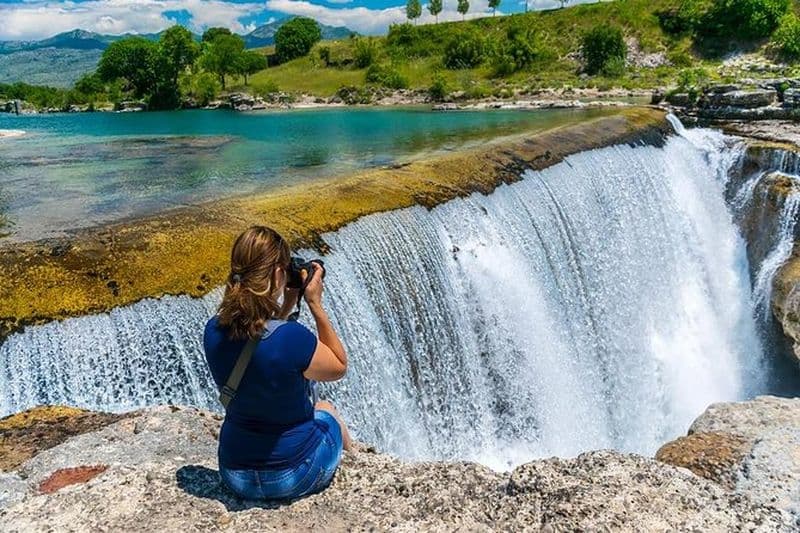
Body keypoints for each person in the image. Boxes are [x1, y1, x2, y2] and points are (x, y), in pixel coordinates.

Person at [203, 225, 352, 501]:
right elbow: (338, 365)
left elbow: (260, 343)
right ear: (278, 274)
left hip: (234, 474)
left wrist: (287, 304)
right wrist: (314, 303)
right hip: (293, 475)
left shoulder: (213, 330)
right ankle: (358, 464)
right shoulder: (291, 338)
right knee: (326, 410)